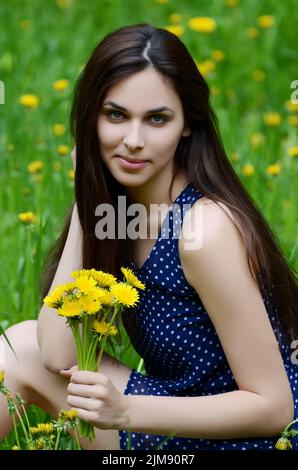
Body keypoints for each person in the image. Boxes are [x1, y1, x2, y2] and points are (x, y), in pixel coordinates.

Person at [1, 23, 298, 451]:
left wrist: (125, 411)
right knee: (20, 347)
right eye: (115, 115)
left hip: (242, 440)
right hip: (176, 413)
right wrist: (89, 199)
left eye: (157, 119)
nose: (133, 141)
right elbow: (55, 354)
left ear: (187, 126)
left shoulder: (203, 231)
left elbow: (274, 408)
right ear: (90, 119)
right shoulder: (118, 212)